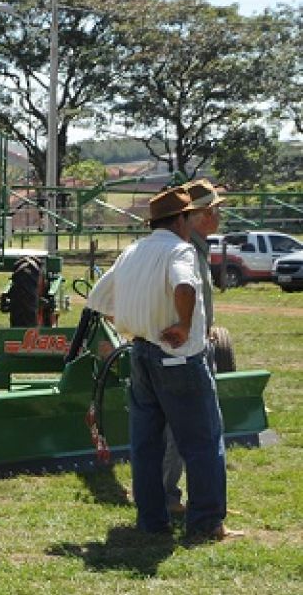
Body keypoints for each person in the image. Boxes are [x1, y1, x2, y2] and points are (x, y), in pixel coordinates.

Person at [86, 187, 241, 542]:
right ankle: (206, 523)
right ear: (181, 219)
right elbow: (185, 286)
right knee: (203, 441)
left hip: (139, 354)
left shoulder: (133, 252)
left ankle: (152, 521)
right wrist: (184, 325)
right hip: (179, 357)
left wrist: (136, 322)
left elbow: (99, 298)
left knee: (146, 445)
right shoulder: (180, 250)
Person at [163, 179, 226, 516]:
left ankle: (170, 496)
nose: (219, 215)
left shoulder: (196, 247)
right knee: (185, 427)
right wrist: (190, 330)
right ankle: (170, 497)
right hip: (185, 350)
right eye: (215, 209)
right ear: (199, 214)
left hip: (192, 343)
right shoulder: (185, 251)